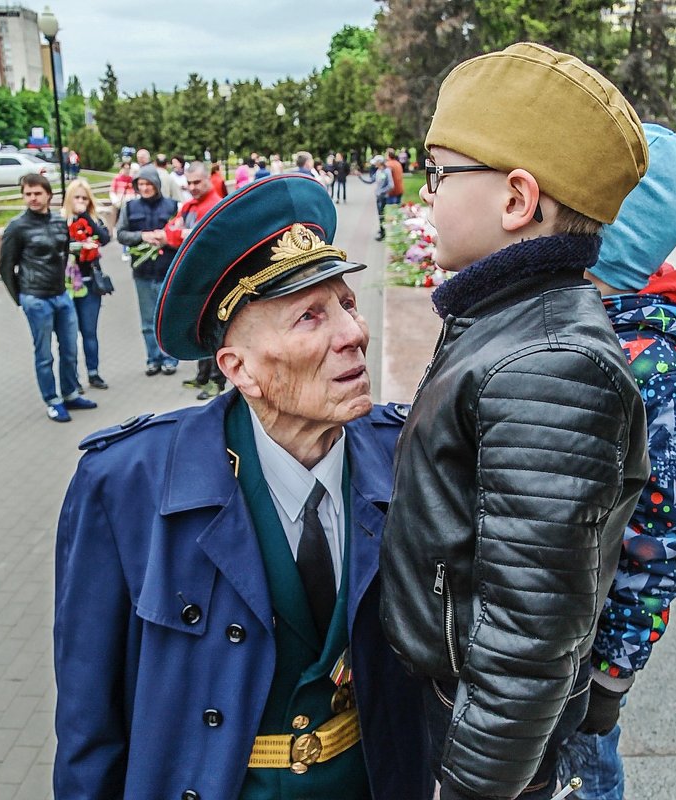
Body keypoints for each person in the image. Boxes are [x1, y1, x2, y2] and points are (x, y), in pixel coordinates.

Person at [53, 173, 432, 800]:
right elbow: (89, 727)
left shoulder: (403, 454)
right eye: (310, 315)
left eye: (348, 304)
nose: (353, 334)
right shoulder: (126, 486)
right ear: (240, 369)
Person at [379, 42, 650, 800]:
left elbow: (528, 639)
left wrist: (468, 788)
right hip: (463, 703)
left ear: (516, 200)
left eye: (439, 174)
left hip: (480, 733)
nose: (425, 196)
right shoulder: (508, 321)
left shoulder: (549, 363)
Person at [556, 123, 676, 800]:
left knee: (586, 775)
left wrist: (613, 676)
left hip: (586, 664)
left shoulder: (653, 367)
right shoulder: (571, 322)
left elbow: (656, 539)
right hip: (538, 647)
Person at [0, 174, 97, 422]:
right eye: (28, 193)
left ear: (48, 195)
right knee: (44, 354)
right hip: (36, 298)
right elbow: (6, 267)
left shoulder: (58, 221)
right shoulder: (17, 227)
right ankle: (52, 400)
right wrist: (21, 299)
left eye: (37, 193)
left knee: (70, 349)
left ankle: (70, 393)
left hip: (62, 296)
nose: (32, 198)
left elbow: (63, 254)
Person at [164, 161, 225, 400]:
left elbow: (201, 241)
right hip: (194, 280)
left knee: (214, 332)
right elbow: (172, 231)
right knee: (198, 330)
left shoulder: (215, 206)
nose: (192, 187)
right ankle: (202, 376)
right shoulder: (190, 205)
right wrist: (179, 235)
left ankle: (217, 381)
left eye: (197, 182)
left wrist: (178, 235)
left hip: (212, 282)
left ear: (209, 179)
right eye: (189, 183)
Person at [116, 164, 179, 376]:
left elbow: (180, 235)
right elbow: (121, 234)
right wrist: (141, 236)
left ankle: (170, 358)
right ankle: (153, 358)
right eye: (141, 184)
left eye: (148, 184)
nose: (144, 188)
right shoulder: (131, 208)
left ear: (157, 185)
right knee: (147, 321)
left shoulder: (172, 207)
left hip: (166, 271)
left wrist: (165, 239)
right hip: (142, 272)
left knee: (167, 318)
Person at [62, 179, 112, 391]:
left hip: (90, 284)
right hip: (67, 287)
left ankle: (94, 373)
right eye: (77, 197)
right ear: (69, 199)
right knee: (69, 336)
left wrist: (85, 218)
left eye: (84, 198)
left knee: (89, 332)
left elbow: (105, 238)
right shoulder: (61, 221)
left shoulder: (93, 220)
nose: (80, 201)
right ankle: (72, 380)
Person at [354, 155, 393, 241]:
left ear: (380, 163)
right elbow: (371, 180)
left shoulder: (387, 171)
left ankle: (383, 233)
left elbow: (391, 185)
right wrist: (360, 176)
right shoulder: (378, 171)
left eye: (376, 162)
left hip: (383, 197)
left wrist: (381, 191)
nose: (374, 164)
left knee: (382, 214)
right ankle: (382, 230)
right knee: (380, 214)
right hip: (378, 197)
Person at [109, 161, 135, 227]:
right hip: (119, 201)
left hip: (130, 202)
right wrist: (115, 200)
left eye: (128, 168)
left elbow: (135, 192)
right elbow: (112, 191)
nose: (127, 170)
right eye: (125, 168)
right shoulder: (117, 178)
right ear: (122, 168)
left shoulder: (132, 179)